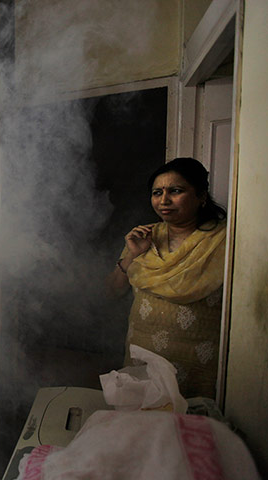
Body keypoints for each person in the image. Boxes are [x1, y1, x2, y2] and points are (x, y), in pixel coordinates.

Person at [107, 158, 227, 399]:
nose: (164, 200)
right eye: (157, 193)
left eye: (176, 191)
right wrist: (132, 254)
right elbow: (112, 293)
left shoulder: (223, 241)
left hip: (197, 365)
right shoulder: (144, 236)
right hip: (141, 358)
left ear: (201, 195)